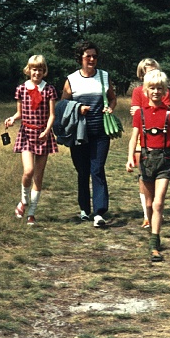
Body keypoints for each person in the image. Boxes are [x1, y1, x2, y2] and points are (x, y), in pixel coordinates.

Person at [126, 70, 170, 262]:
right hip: (145, 159)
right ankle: (152, 230)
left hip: (164, 160)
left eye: (159, 88)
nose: (155, 92)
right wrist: (130, 158)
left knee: (159, 203)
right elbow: (134, 137)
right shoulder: (140, 114)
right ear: (145, 90)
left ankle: (154, 244)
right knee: (150, 203)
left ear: (165, 91)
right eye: (152, 88)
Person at [61, 40, 117, 228]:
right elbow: (62, 105)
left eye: (95, 56)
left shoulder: (104, 76)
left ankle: (99, 212)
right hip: (79, 133)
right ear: (80, 58)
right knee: (83, 171)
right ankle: (84, 209)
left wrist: (109, 108)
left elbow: (112, 99)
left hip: (100, 132)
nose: (92, 59)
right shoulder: (71, 79)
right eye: (88, 56)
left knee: (97, 169)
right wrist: (78, 108)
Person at [4, 55, 58, 225]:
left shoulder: (49, 90)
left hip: (43, 135)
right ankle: (24, 201)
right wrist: (13, 119)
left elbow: (52, 115)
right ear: (29, 70)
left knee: (38, 176)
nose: (37, 73)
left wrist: (47, 131)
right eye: (34, 69)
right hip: (26, 134)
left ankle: (32, 213)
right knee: (28, 171)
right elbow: (19, 113)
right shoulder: (21, 89)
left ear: (44, 71)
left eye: (40, 70)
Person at [129, 58, 170, 228]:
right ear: (142, 74)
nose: (152, 74)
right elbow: (135, 113)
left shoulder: (163, 91)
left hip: (159, 137)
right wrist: (140, 111)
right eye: (148, 72)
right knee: (144, 175)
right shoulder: (138, 91)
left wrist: (141, 109)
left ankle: (156, 209)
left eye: (154, 71)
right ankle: (146, 214)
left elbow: (164, 108)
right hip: (142, 137)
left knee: (159, 174)